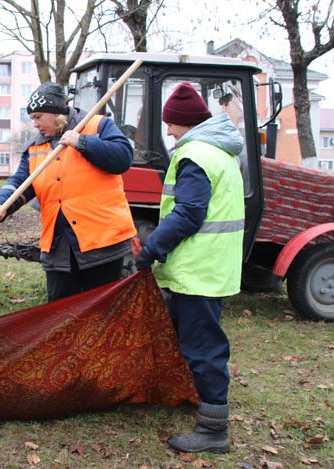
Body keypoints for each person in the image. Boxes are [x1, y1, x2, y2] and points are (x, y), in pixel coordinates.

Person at [135, 82, 245, 453]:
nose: (167, 131)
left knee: (204, 348)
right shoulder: (218, 151)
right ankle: (197, 404)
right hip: (209, 266)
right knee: (194, 342)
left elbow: (188, 213)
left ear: (185, 122)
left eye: (171, 124)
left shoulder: (195, 154)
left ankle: (213, 431)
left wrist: (152, 247)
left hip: (199, 269)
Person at [0, 82, 136, 302]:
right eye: (32, 118)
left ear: (56, 113)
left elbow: (122, 158)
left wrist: (82, 142)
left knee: (101, 309)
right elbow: (22, 183)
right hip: (59, 246)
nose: (34, 124)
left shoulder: (98, 126)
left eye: (38, 116)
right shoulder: (35, 146)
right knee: (60, 309)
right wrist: (0, 205)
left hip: (101, 243)